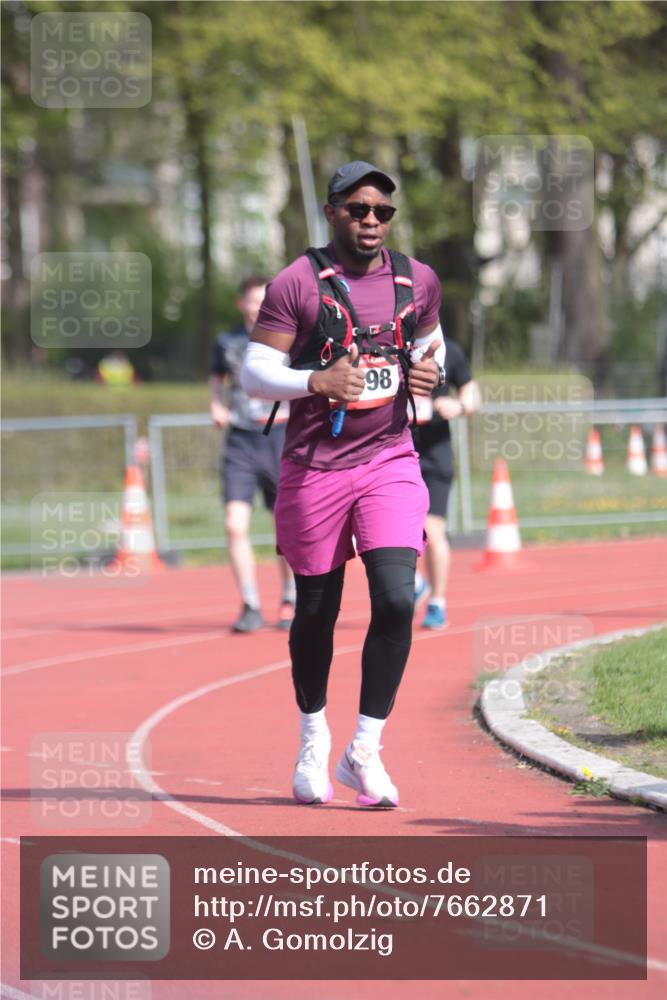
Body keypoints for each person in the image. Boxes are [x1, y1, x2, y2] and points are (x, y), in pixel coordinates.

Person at [241, 161, 444, 807]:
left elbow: (431, 347)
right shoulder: (296, 282)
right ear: (331, 211)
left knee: (393, 597)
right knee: (317, 611)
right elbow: (254, 372)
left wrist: (426, 376)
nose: (371, 221)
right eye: (357, 209)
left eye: (382, 211)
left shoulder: (418, 279)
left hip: (389, 458)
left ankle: (364, 749)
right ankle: (311, 736)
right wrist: (315, 382)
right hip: (314, 466)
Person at [210, 276, 296, 633]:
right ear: (241, 304)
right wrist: (215, 405)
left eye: (265, 300)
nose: (258, 307)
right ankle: (249, 603)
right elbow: (216, 378)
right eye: (252, 300)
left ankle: (291, 597)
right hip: (242, 441)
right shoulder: (227, 342)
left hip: (280, 436)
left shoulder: (290, 337)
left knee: (285, 528)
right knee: (234, 525)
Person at [412, 339, 481, 629]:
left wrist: (459, 404)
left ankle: (437, 602)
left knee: (432, 529)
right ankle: (415, 583)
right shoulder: (387, 348)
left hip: (434, 457)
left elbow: (472, 395)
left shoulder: (450, 352)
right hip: (391, 453)